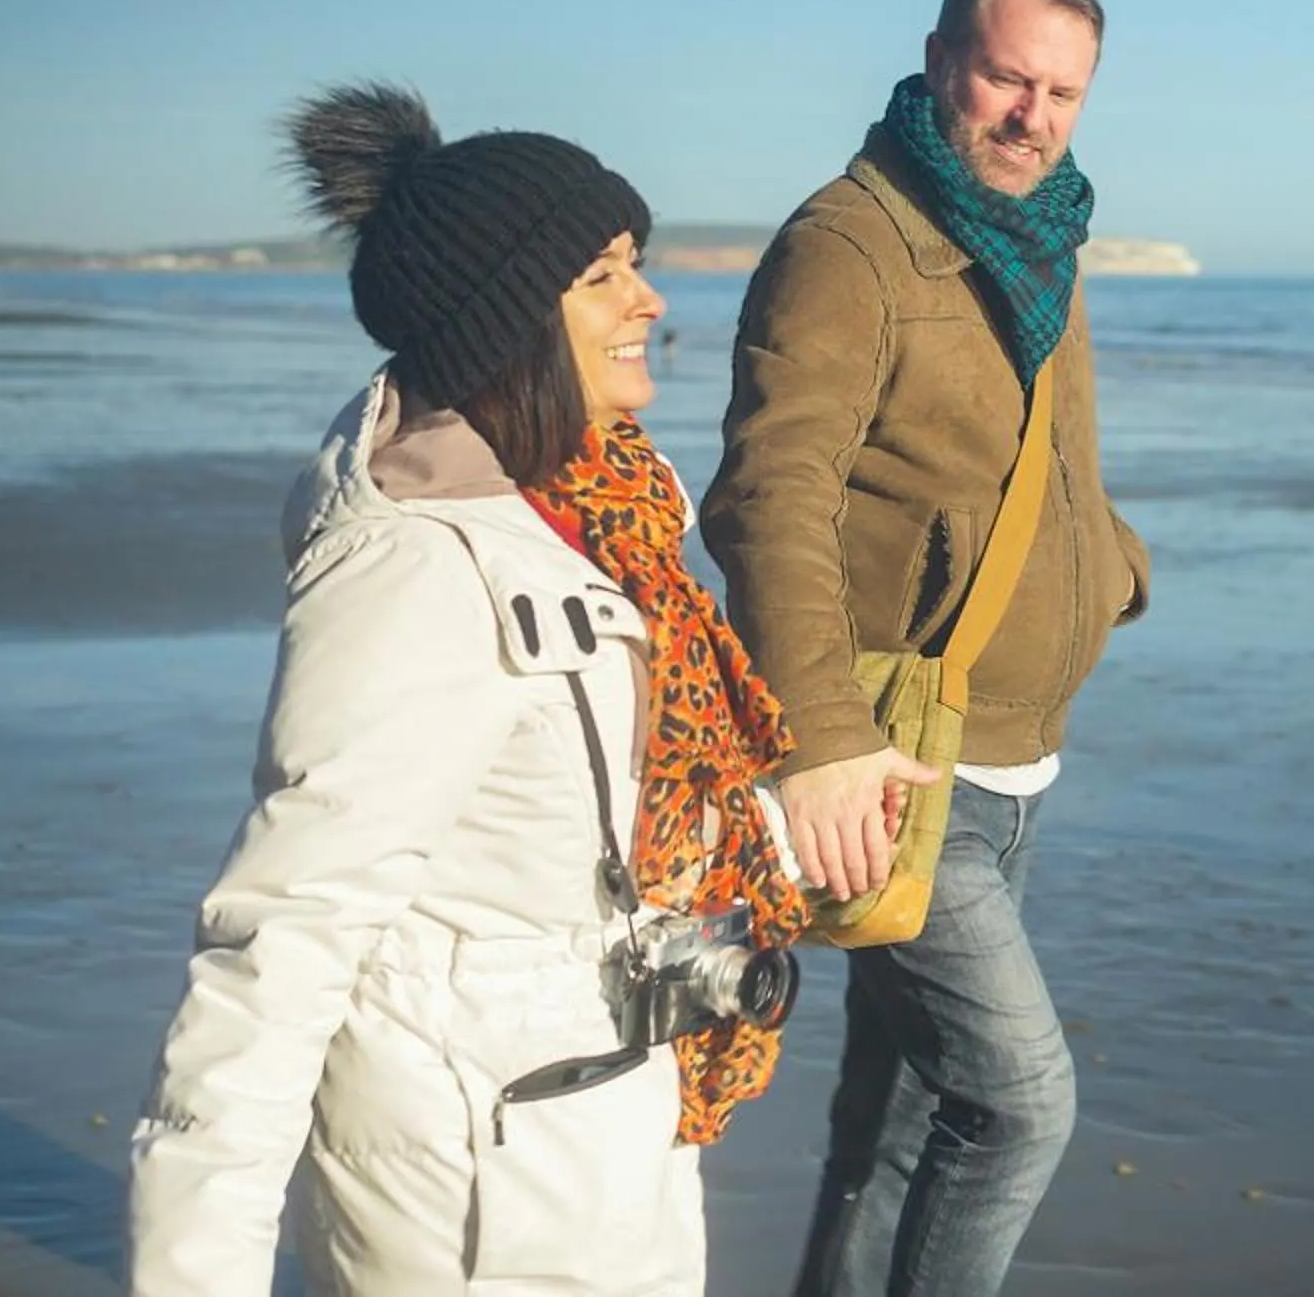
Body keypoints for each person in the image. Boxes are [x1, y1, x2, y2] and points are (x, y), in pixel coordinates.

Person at [128, 82, 809, 1296]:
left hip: (607, 1133)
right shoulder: (414, 568)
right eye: (604, 274)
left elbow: (598, 805)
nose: (649, 298)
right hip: (481, 1187)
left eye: (635, 263)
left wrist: (792, 819)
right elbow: (280, 940)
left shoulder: (595, 516)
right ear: (507, 321)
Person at [702, 0, 1152, 1297]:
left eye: (1064, 92)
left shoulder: (1043, 233)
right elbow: (767, 497)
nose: (1033, 118)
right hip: (895, 763)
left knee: (898, 1123)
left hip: (1015, 750)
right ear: (943, 58)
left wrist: (1109, 565)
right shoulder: (852, 243)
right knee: (1020, 1105)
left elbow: (1037, 456)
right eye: (1010, 78)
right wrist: (821, 738)